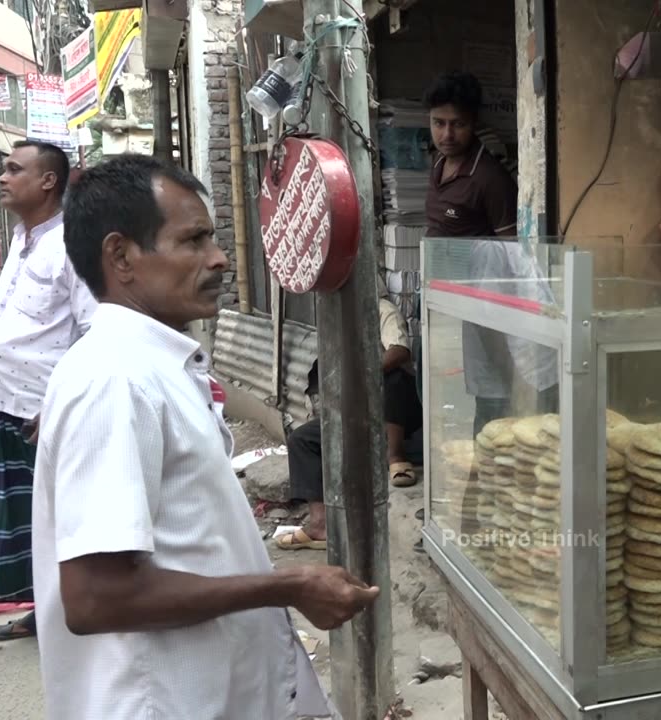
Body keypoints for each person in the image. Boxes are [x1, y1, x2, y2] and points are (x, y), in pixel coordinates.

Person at [34, 153, 377, 719]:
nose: (219, 259)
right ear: (121, 256)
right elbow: (97, 596)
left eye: (213, 239)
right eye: (193, 241)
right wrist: (286, 588)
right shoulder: (114, 379)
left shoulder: (157, 366)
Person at [0, 141, 96, 642]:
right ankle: (42, 614)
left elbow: (95, 330)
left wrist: (62, 404)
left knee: (54, 525)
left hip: (40, 414)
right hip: (2, 405)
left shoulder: (74, 244)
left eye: (13, 170)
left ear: (48, 181)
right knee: (21, 525)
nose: (2, 178)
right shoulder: (23, 240)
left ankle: (75, 618)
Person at [423, 70, 558, 435]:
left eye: (458, 125)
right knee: (478, 410)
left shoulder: (489, 179)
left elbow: (508, 269)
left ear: (474, 124)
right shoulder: (437, 166)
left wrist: (513, 372)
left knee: (498, 417)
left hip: (491, 315)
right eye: (439, 123)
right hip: (455, 310)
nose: (447, 135)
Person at [278, 286, 423, 549]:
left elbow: (400, 351)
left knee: (394, 380)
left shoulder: (381, 310)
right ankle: (320, 524)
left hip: (398, 411)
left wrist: (362, 376)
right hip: (357, 412)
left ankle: (396, 457)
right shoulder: (337, 320)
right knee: (301, 440)